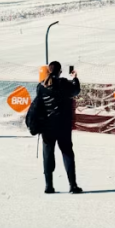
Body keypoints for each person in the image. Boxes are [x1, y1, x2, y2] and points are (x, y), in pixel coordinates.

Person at [36, 61, 82, 194]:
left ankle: (48, 186)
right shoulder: (64, 83)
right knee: (67, 153)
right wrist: (75, 78)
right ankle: (73, 185)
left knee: (47, 154)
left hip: (47, 126)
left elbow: (39, 105)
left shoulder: (41, 86)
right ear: (60, 71)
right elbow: (76, 90)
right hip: (63, 125)